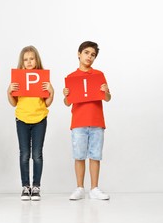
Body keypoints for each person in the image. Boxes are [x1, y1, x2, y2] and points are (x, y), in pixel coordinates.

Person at [63, 41, 111, 200]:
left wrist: (106, 91)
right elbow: (67, 102)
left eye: (93, 55)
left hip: (96, 121)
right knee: (79, 155)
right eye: (86, 53)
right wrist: (66, 94)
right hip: (78, 122)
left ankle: (94, 188)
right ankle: (79, 187)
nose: (89, 56)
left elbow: (107, 98)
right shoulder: (71, 77)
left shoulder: (99, 75)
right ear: (79, 53)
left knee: (95, 155)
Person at [7, 46, 54, 201]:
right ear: (22, 62)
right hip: (22, 119)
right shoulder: (19, 78)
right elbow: (13, 103)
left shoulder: (41, 77)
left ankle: (36, 187)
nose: (28, 62)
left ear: (36, 60)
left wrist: (51, 91)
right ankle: (25, 186)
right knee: (24, 154)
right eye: (25, 59)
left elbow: (47, 103)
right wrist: (9, 91)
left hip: (40, 119)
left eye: (31, 59)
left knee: (37, 154)